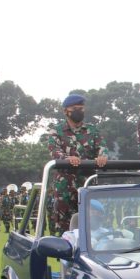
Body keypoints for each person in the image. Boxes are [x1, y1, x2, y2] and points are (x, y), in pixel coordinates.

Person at [47, 94, 108, 233]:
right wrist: (66, 158)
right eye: (74, 108)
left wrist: (102, 156)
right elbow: (54, 150)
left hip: (88, 184)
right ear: (65, 111)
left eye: (81, 108)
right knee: (64, 227)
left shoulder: (92, 130)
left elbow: (102, 147)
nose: (78, 111)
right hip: (65, 187)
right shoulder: (57, 131)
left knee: (91, 225)